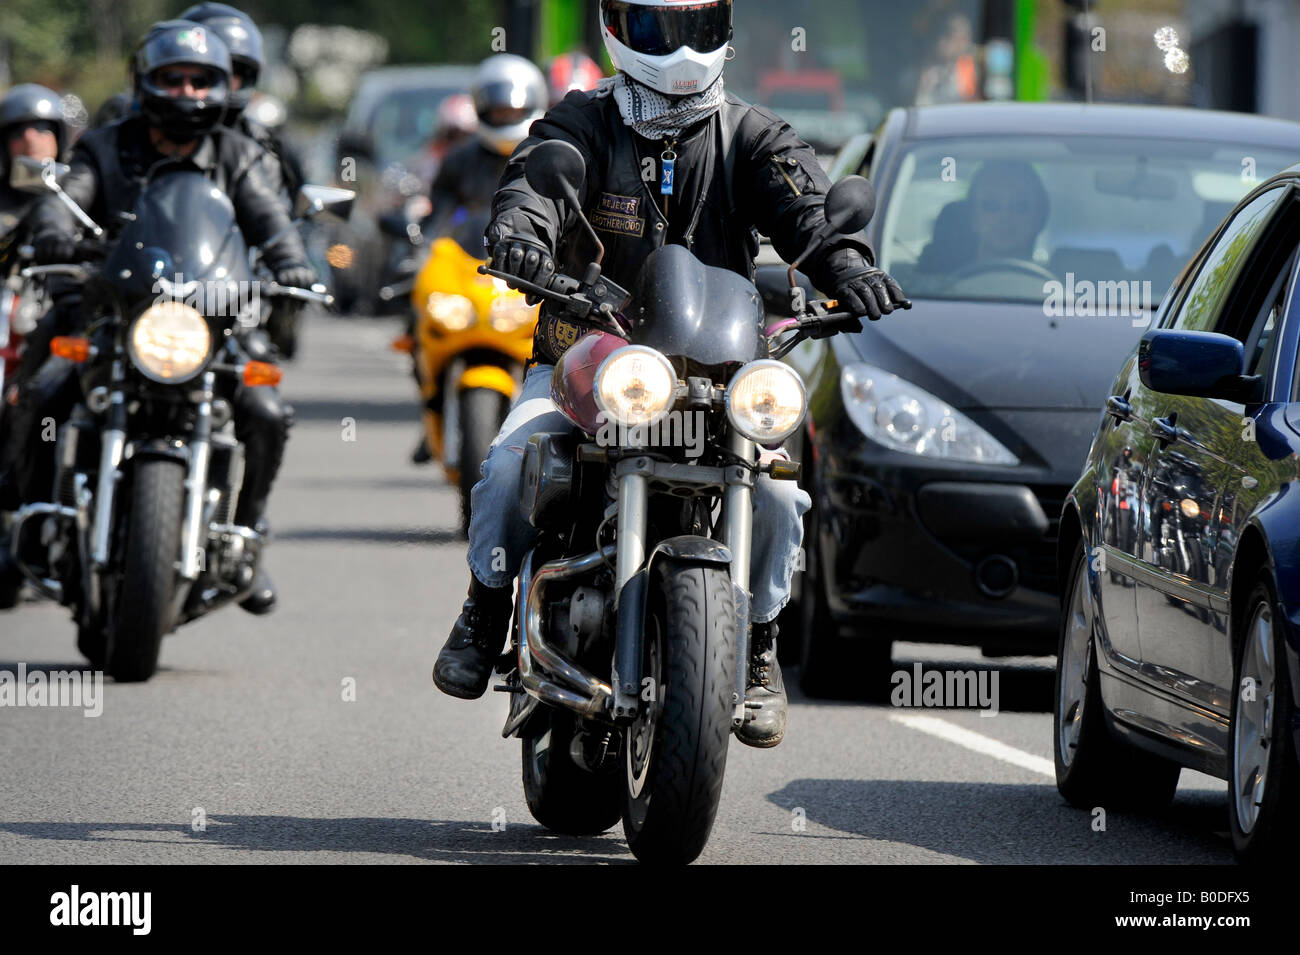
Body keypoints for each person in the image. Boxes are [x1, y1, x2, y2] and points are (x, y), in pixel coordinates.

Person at [432, 0, 909, 748]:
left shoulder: (753, 134)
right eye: (660, 28)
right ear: (618, 31)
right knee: (507, 466)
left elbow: (809, 211)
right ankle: (483, 610)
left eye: (695, 27)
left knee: (782, 496)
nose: (681, 49)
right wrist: (522, 235)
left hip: (717, 373)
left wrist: (846, 264)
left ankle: (755, 650)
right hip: (586, 354)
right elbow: (534, 184)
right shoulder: (581, 121)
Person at [0, 19, 315, 614]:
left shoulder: (239, 153)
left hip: (210, 315)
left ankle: (243, 539)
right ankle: (27, 517)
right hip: (115, 308)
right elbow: (66, 199)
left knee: (266, 410)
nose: (189, 91)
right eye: (175, 78)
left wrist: (293, 266)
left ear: (222, 86)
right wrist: (50, 235)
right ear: (147, 82)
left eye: (202, 81)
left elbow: (271, 223)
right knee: (42, 390)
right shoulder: (106, 145)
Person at [179, 3, 305, 198]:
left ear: (246, 77)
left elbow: (289, 220)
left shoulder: (264, 149)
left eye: (229, 72)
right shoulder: (129, 140)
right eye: (202, 75)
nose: (190, 89)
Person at [425, 54, 548, 235]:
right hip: (470, 258)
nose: (506, 117)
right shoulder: (459, 159)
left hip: (536, 255)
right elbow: (438, 219)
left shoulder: (549, 157)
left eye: (512, 112)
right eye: (499, 111)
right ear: (482, 107)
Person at [0, 84, 68, 233]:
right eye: (16, 132)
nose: (29, 138)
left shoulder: (78, 186)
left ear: (58, 135)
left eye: (41, 126)